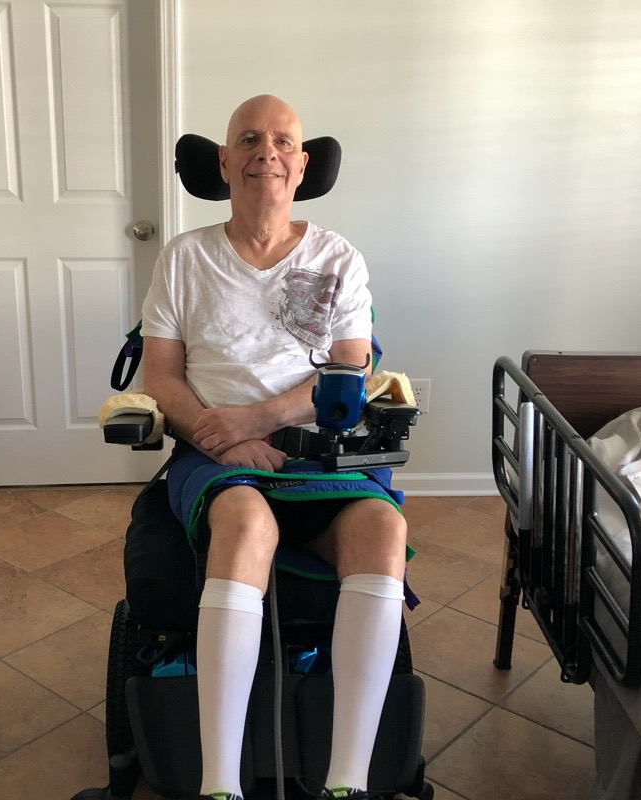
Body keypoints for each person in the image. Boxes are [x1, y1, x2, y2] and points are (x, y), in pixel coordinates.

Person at [141, 95, 408, 800]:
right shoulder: (184, 257)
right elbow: (161, 375)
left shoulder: (337, 258)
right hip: (213, 453)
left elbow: (350, 369)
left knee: (383, 529)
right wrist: (218, 437)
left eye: (283, 141)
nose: (268, 152)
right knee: (246, 522)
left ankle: (348, 782)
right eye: (250, 140)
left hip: (317, 448)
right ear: (223, 162)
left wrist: (256, 419)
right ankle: (219, 785)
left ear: (304, 164)